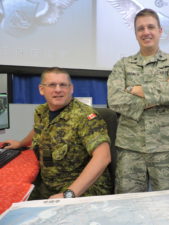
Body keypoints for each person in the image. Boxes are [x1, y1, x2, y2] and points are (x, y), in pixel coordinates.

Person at [107, 8, 169, 193]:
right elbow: (114, 99)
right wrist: (159, 97)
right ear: (136, 34)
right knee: (129, 205)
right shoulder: (123, 65)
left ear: (160, 31)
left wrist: (135, 90)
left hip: (166, 147)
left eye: (151, 27)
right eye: (140, 28)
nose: (146, 32)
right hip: (130, 149)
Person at [2, 67, 113, 199]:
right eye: (52, 85)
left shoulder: (86, 116)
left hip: (82, 189)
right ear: (41, 89)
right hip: (49, 184)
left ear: (71, 89)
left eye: (63, 85)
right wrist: (21, 143)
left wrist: (69, 194)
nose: (58, 89)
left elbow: (103, 157)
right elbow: (39, 130)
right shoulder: (41, 111)